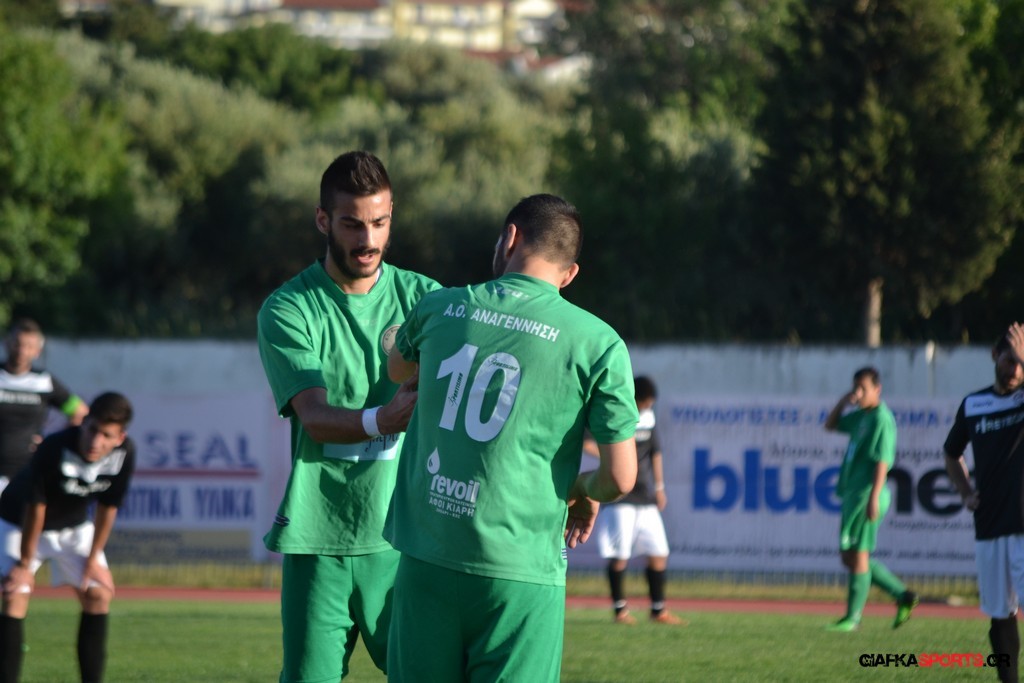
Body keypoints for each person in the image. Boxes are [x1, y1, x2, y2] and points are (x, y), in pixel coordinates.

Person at [384, 193, 639, 682]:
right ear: (570, 274)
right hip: (520, 573)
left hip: (426, 559)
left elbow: (398, 368)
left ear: (510, 238)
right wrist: (582, 490)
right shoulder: (598, 342)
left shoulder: (441, 306)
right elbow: (622, 478)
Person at [257, 150, 441, 682]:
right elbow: (314, 417)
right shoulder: (289, 308)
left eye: (379, 223)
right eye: (352, 224)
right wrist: (384, 418)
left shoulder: (425, 298)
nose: (368, 239)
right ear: (323, 221)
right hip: (320, 540)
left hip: (406, 537)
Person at [0, 391, 135, 683]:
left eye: (107, 435)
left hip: (73, 526)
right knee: (14, 593)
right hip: (18, 523)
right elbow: (36, 508)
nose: (96, 441)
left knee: (98, 593)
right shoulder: (55, 446)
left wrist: (94, 558)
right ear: (83, 422)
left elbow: (108, 508)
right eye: (92, 429)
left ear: (120, 437)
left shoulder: (125, 454)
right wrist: (24, 564)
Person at [944, 324, 1024, 683]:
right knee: (1000, 614)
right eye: (1010, 360)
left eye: (1021, 362)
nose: (1015, 369)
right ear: (994, 356)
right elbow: (951, 453)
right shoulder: (974, 404)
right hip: (990, 525)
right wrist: (965, 492)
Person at [585, 375, 685, 626]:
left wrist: (659, 487)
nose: (647, 407)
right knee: (620, 554)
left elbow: (655, 453)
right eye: (645, 402)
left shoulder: (648, 418)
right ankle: (620, 610)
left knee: (659, 552)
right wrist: (614, 459)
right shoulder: (614, 412)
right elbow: (587, 442)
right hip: (620, 496)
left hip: (645, 496)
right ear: (635, 399)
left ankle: (658, 610)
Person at [823, 366, 917, 632]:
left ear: (878, 389)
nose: (858, 393)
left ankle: (852, 618)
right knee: (849, 557)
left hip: (867, 495)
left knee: (859, 555)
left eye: (863, 388)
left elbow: (882, 461)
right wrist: (844, 401)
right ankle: (903, 595)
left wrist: (874, 496)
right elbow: (830, 425)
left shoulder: (881, 419)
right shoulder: (862, 416)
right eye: (856, 388)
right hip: (853, 494)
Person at [0, 318, 88, 491]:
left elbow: (80, 412)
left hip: (28, 471)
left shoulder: (44, 382)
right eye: (18, 344)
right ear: (7, 343)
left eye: (29, 346)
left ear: (37, 351)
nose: (22, 351)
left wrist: (52, 442)